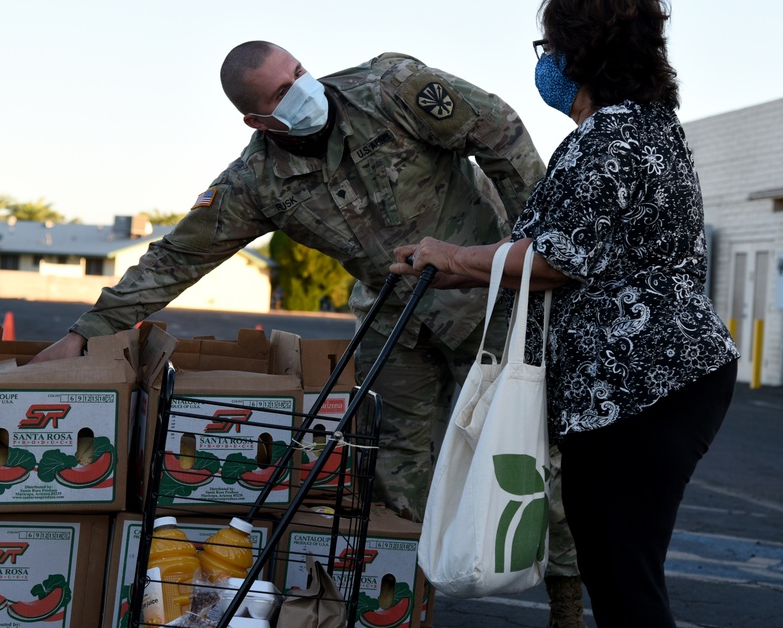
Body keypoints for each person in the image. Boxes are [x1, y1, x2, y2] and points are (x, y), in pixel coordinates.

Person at [29, 41, 585, 624]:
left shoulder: (391, 89)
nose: (302, 89)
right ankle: (407, 602)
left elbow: (500, 134)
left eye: (297, 71)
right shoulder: (256, 183)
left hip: (492, 298)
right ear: (258, 120)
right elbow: (177, 257)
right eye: (281, 91)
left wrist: (532, 250)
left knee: (527, 451)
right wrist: (86, 332)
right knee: (390, 464)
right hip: (394, 313)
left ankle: (567, 599)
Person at [391, 0, 740, 628]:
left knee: (623, 578)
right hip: (654, 382)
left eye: (548, 46)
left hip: (640, 387)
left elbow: (557, 259)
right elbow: (575, 254)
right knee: (617, 572)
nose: (544, 61)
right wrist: (455, 270)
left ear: (579, 53)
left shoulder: (610, 139)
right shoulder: (647, 129)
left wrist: (455, 256)